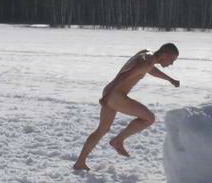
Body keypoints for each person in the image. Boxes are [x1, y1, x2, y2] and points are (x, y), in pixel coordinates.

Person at [72, 43, 180, 171]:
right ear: (164, 55)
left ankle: (80, 162)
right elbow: (124, 75)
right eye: (172, 60)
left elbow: (149, 69)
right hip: (115, 95)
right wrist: (107, 97)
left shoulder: (146, 54)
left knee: (102, 129)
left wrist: (170, 79)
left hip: (110, 91)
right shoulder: (147, 62)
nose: (171, 63)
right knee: (149, 118)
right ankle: (118, 140)